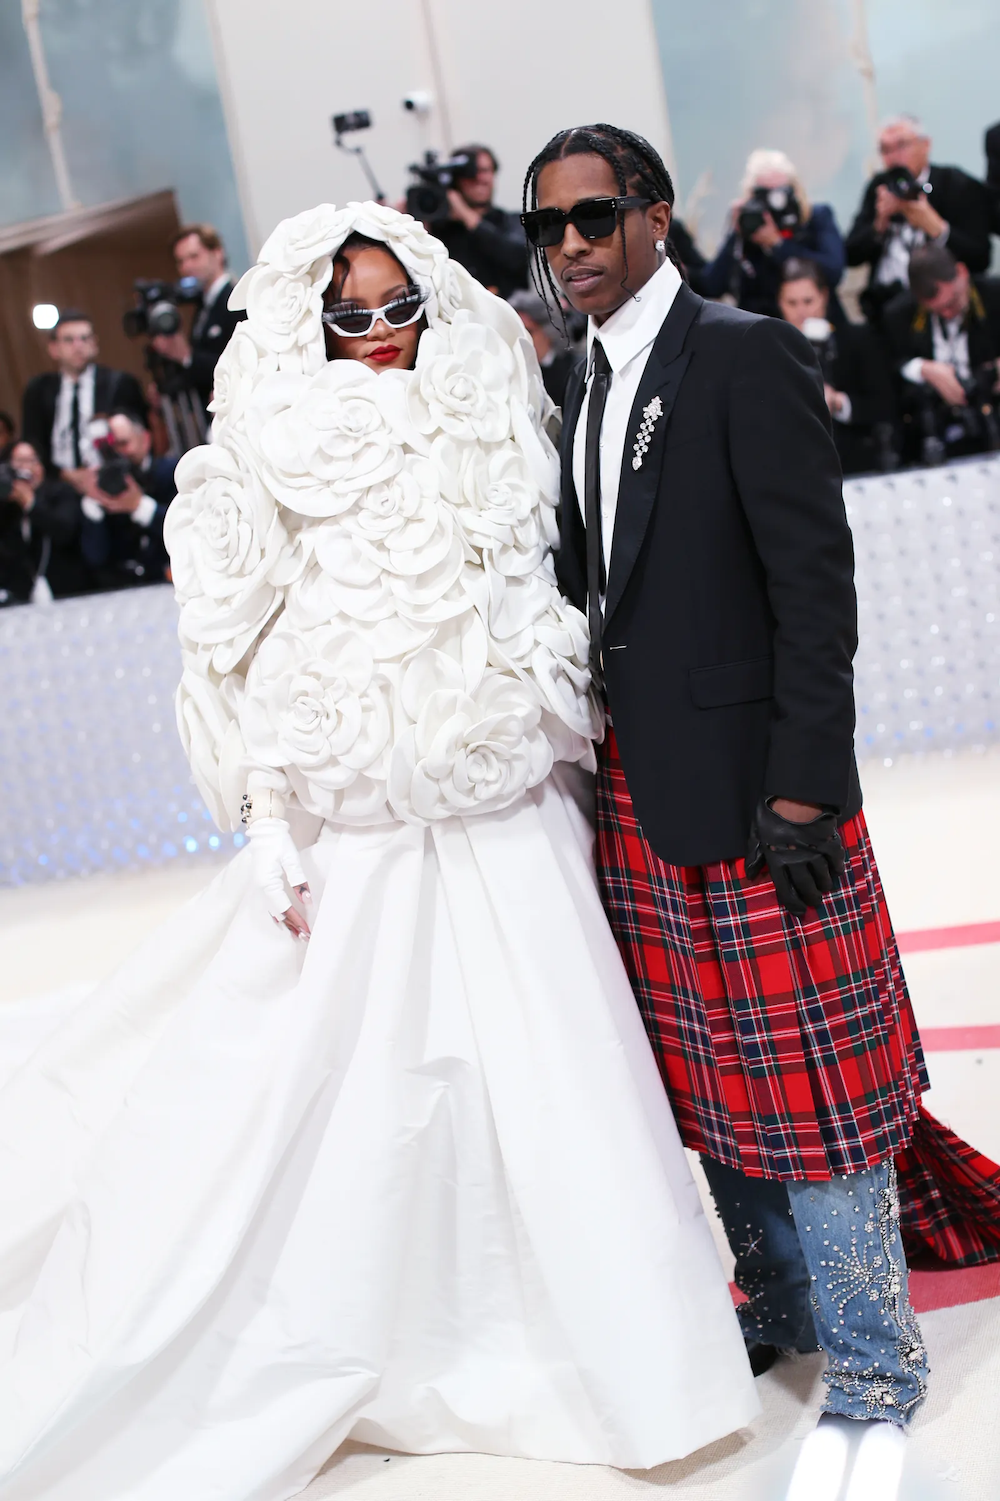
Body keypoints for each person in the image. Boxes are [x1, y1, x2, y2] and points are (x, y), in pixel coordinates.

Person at [0, 202, 758, 1499]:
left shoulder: (499, 411)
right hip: (362, 818)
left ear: (431, 300)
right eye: (346, 318)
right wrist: (272, 820)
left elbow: (548, 594)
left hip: (509, 808)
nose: (378, 337)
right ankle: (396, 1331)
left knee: (559, 1077)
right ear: (309, 321)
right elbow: (232, 648)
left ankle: (616, 1350)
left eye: (396, 308)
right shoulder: (260, 451)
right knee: (364, 1098)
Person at [521, 121, 1000, 1499]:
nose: (569, 248)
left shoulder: (741, 351)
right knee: (716, 1086)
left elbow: (815, 589)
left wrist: (806, 784)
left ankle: (872, 1358)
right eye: (549, 229)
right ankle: (780, 1304)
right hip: (645, 805)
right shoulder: (579, 382)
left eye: (594, 218)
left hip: (762, 797)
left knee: (826, 1090)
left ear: (658, 217)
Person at [846, 115, 992, 326]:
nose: (894, 157)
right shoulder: (879, 187)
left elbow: (980, 258)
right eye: (885, 150)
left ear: (925, 145)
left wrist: (936, 228)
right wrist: (880, 223)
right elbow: (851, 254)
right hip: (885, 306)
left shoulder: (956, 184)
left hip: (943, 305)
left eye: (901, 146)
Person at [881, 244, 1000, 467]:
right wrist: (923, 369)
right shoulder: (898, 314)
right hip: (933, 431)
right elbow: (888, 364)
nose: (947, 313)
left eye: (953, 302)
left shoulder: (994, 296)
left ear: (962, 273)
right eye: (937, 310)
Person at [776, 258, 897, 476]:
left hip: (855, 463)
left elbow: (885, 405)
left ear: (824, 297)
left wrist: (840, 403)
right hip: (795, 469)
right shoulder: (772, 353)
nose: (801, 312)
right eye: (791, 303)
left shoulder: (857, 340)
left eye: (808, 301)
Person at [698, 148, 846, 320]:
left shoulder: (815, 219)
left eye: (781, 193)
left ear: (795, 191)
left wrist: (778, 244)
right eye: (763, 194)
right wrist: (737, 232)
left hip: (813, 325)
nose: (773, 203)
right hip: (763, 330)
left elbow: (834, 271)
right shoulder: (747, 232)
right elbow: (712, 285)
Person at [20, 309, 147, 481]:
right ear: (54, 348)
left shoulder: (119, 384)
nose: (78, 346)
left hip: (114, 479)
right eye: (69, 340)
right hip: (59, 484)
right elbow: (33, 444)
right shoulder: (39, 390)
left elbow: (140, 440)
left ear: (95, 344)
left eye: (84, 338)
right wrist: (69, 477)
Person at [149, 223, 245, 407]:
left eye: (194, 256)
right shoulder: (202, 307)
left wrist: (186, 355)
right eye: (180, 261)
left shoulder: (236, 299)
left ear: (217, 253)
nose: (187, 267)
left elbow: (240, 362)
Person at [79, 409, 176, 589]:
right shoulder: (100, 488)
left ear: (145, 439)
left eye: (123, 443)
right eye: (108, 448)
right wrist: (94, 506)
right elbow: (95, 559)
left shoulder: (172, 472)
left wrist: (139, 506)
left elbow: (187, 531)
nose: (117, 454)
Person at [432, 143, 529, 299]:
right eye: (471, 173)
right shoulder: (439, 231)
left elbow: (518, 258)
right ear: (455, 180)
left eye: (485, 171)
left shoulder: (511, 221)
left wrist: (465, 213)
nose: (480, 179)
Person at [0, 438, 88, 604]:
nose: (27, 468)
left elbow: (64, 531)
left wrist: (30, 503)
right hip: (17, 595)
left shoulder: (61, 493)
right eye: (19, 462)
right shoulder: (6, 506)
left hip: (63, 589)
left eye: (33, 461)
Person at [507, 286, 580, 407]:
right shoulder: (511, 374)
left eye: (529, 332)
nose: (522, 341)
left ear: (549, 331)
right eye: (516, 334)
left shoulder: (576, 371)